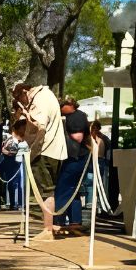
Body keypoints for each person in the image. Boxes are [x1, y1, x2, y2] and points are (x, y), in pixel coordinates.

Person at [13, 82, 66, 227]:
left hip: (44, 151)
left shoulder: (39, 99)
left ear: (24, 91)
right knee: (51, 191)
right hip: (56, 150)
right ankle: (51, 226)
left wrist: (25, 115)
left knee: (46, 192)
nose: (21, 102)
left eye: (19, 98)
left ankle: (48, 229)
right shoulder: (48, 95)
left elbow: (39, 125)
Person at [52, 95, 91, 236]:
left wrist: (62, 131)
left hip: (76, 158)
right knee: (72, 190)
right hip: (75, 157)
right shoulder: (74, 116)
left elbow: (78, 137)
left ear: (70, 105)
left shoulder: (76, 117)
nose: (60, 108)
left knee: (63, 189)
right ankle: (75, 222)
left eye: (62, 105)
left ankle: (58, 221)